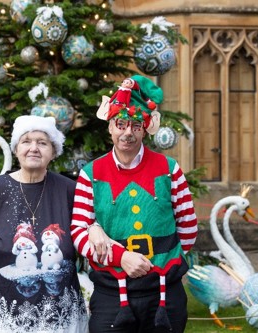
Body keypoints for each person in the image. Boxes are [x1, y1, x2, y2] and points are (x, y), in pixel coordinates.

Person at [71, 74, 198, 333]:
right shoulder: (91, 174)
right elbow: (78, 231)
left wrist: (161, 260)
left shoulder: (169, 169)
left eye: (135, 126)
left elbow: (188, 227)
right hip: (112, 294)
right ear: (110, 127)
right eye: (121, 124)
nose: (128, 132)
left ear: (145, 129)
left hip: (163, 293)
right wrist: (122, 257)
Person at [0, 115, 88, 333]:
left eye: (42, 142)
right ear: (16, 148)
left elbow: (88, 237)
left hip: (61, 320)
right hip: (6, 320)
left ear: (54, 150)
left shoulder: (70, 190)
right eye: (26, 141)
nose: (34, 148)